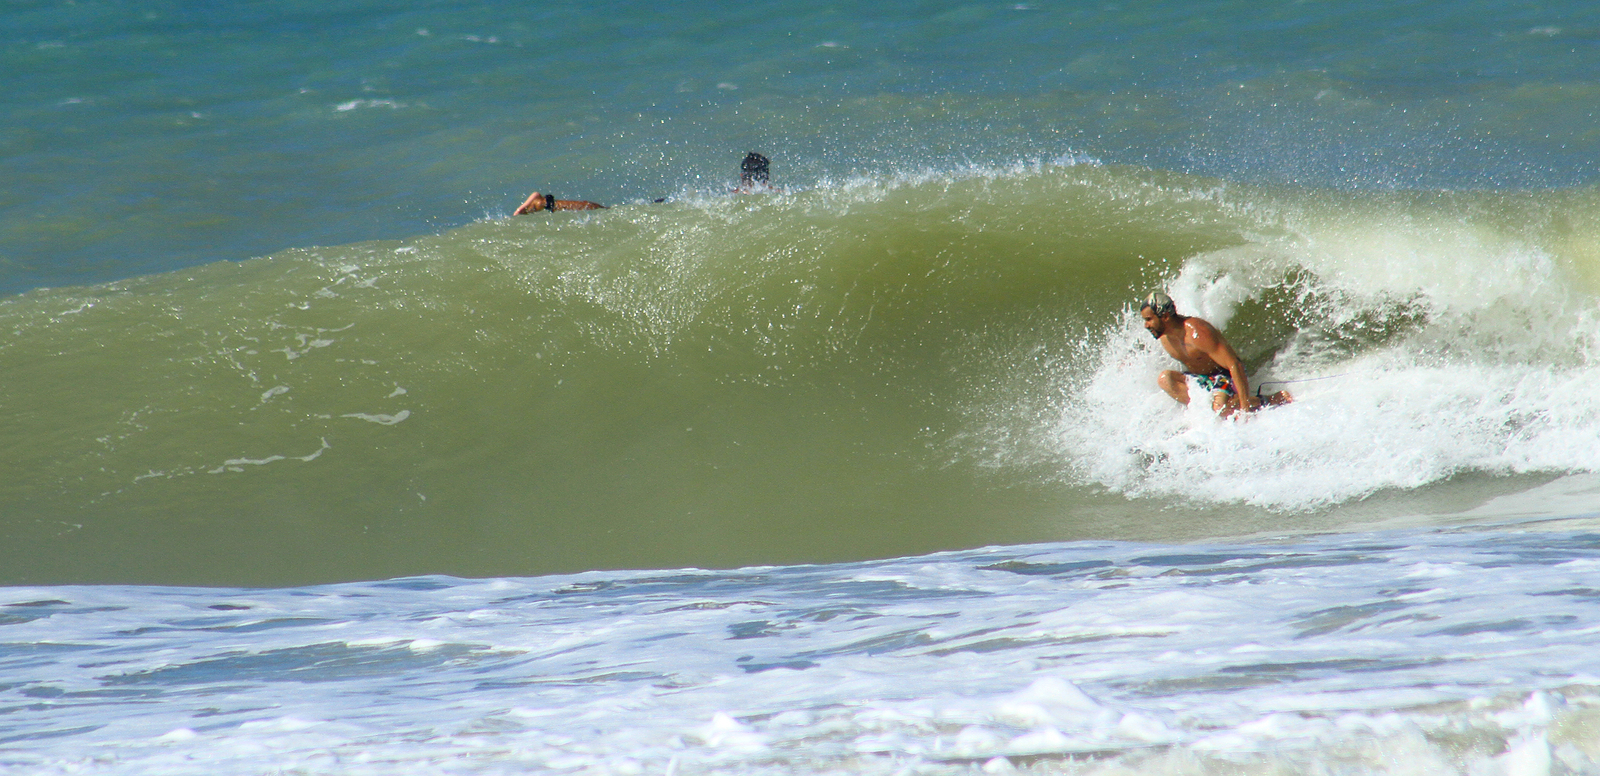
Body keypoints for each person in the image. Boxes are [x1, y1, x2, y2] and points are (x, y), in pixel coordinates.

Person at [1139, 291, 1291, 419]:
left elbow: (1234, 364)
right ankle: (1206, 410)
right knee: (1165, 379)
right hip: (1199, 378)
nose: (1146, 325)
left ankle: (1268, 400)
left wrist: (1245, 409)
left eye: (1149, 319)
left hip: (1223, 375)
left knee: (1220, 410)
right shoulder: (1164, 336)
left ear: (1165, 316)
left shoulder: (1198, 333)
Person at [513, 191, 607, 215]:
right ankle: (605, 208)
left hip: (555, 205)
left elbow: (518, 211)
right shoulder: (536, 200)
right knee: (588, 206)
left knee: (587, 206)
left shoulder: (535, 198)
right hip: (556, 205)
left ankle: (604, 208)